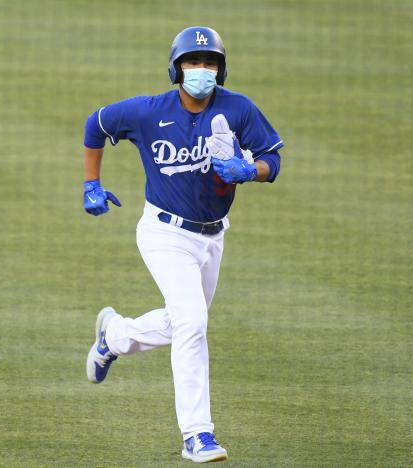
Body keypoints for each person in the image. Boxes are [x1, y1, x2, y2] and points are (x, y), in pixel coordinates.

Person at [82, 26, 283, 464]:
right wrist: (91, 185)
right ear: (176, 68)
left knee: (182, 323)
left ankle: (114, 336)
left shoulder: (239, 108)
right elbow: (94, 125)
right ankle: (198, 435)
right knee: (193, 323)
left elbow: (273, 158)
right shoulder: (147, 111)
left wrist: (253, 171)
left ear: (221, 69)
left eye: (209, 62)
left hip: (213, 235)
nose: (201, 70)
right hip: (163, 233)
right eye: (193, 62)